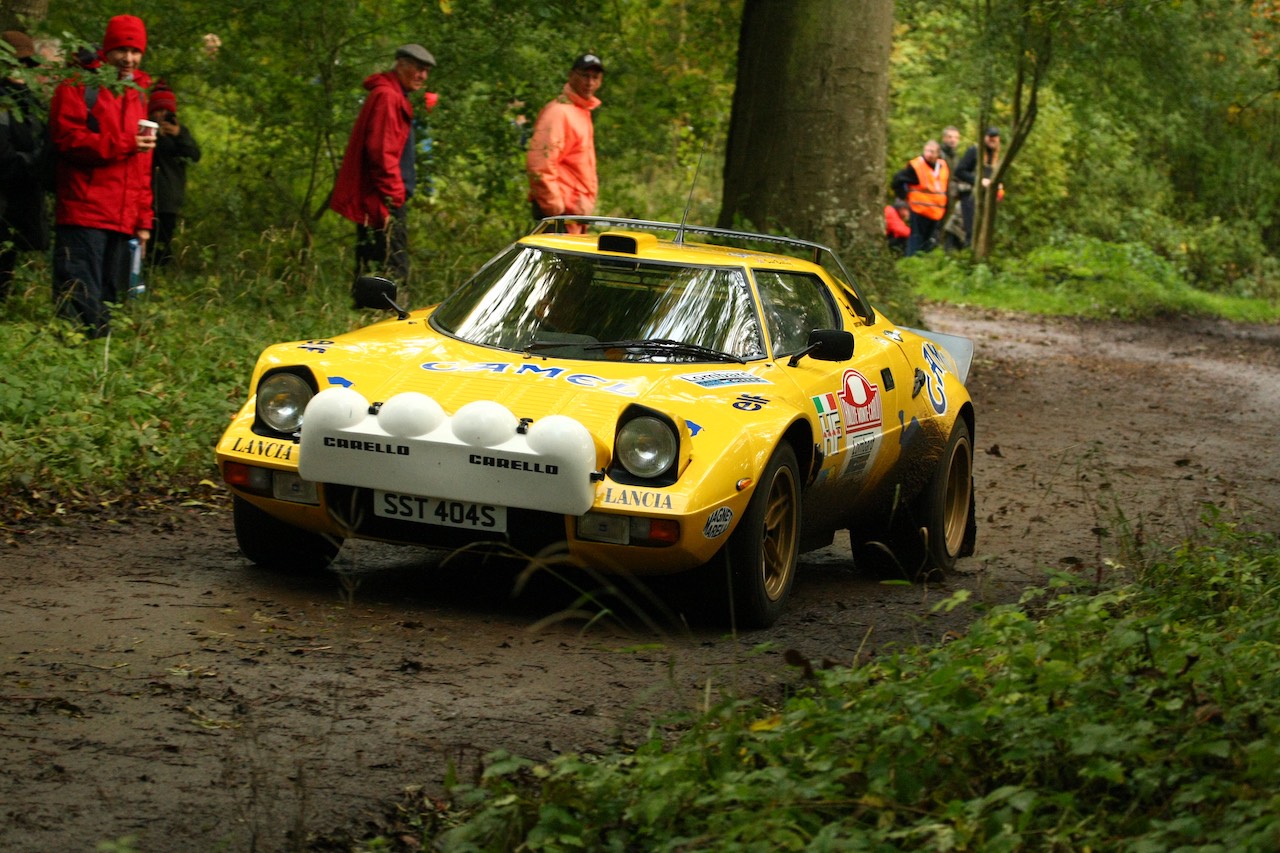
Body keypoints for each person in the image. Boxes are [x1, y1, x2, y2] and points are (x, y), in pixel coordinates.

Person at [49, 14, 155, 338]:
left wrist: (143, 219)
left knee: (108, 304)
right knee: (78, 303)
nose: (129, 58)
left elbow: (142, 166)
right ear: (107, 50)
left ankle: (97, 373)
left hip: (122, 219)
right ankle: (70, 368)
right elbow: (66, 140)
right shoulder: (78, 86)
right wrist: (124, 143)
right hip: (84, 212)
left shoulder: (138, 93)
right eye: (121, 49)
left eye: (135, 51)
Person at [330, 43, 435, 290]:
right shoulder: (388, 96)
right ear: (400, 65)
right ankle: (387, 320)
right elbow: (381, 153)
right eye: (418, 68)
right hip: (382, 201)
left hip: (379, 198)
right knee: (393, 269)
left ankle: (365, 316)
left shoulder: (392, 94)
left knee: (371, 263)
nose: (423, 76)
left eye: (426, 71)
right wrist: (393, 200)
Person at [526, 53, 603, 233]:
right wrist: (555, 209)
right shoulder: (558, 112)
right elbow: (539, 165)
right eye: (585, 75)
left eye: (595, 77)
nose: (590, 82)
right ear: (571, 75)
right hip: (560, 217)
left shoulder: (580, 112)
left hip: (573, 216)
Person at [0, 30, 49, 303]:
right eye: (14, 63)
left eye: (25, 64)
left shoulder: (32, 103)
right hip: (7, 191)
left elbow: (41, 143)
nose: (19, 70)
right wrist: (31, 164)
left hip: (19, 199)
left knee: (7, 260)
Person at [147, 83, 201, 267]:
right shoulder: (145, 130)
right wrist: (156, 136)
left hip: (168, 200)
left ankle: (159, 279)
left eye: (165, 111)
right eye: (158, 110)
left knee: (163, 246)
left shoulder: (180, 132)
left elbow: (194, 155)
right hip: (146, 197)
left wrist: (177, 135)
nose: (161, 115)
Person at [891, 139, 949, 257]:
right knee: (916, 239)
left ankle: (924, 266)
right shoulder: (917, 166)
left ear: (938, 154)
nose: (929, 154)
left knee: (930, 242)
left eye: (932, 152)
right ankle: (911, 263)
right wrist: (904, 196)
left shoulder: (943, 166)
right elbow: (897, 180)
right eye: (927, 151)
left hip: (937, 212)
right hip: (919, 210)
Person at [954, 127, 1004, 247]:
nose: (992, 139)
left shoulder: (995, 155)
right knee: (971, 230)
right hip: (969, 196)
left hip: (985, 198)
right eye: (990, 136)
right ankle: (967, 258)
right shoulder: (974, 151)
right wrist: (979, 181)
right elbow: (959, 171)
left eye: (995, 137)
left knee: (982, 231)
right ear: (984, 137)